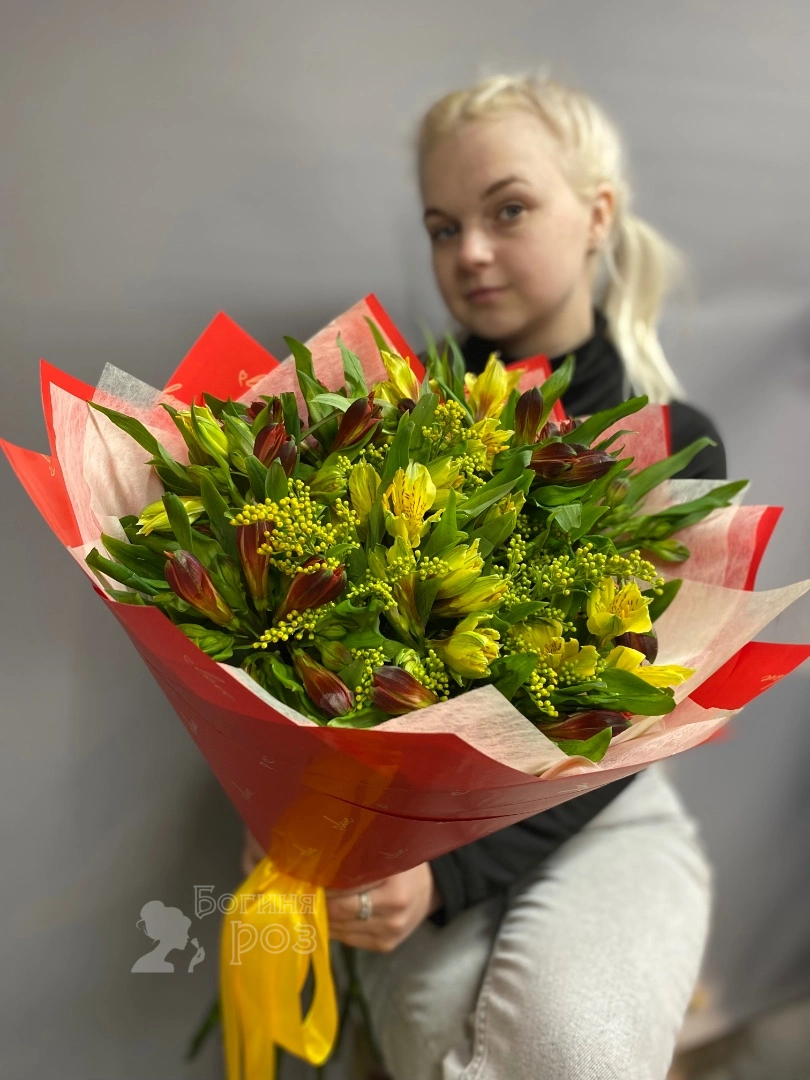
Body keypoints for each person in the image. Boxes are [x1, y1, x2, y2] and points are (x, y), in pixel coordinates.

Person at [244, 72, 725, 1080]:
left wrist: (450, 875)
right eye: (442, 226)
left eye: (508, 210)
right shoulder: (386, 419)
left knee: (573, 1047)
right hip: (414, 814)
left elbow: (631, 723)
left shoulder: (669, 441)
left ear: (596, 215)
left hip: (603, 801)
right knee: (436, 1043)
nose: (468, 251)